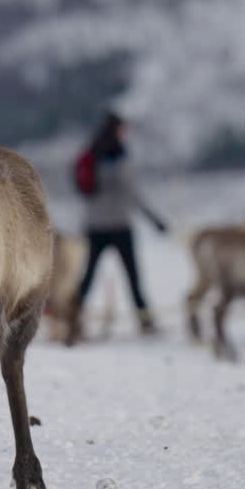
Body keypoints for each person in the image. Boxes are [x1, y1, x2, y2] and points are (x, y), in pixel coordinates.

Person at [67, 111, 169, 345]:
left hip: (94, 226)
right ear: (117, 130)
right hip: (119, 226)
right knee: (133, 276)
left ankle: (72, 319)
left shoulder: (91, 154)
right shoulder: (120, 157)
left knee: (88, 277)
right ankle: (146, 322)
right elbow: (132, 194)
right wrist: (154, 220)